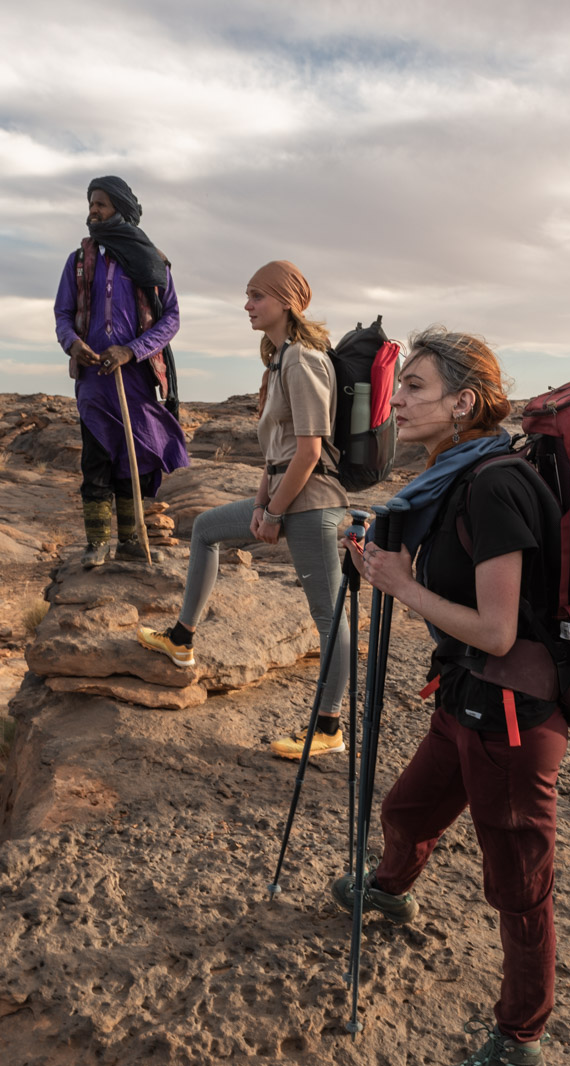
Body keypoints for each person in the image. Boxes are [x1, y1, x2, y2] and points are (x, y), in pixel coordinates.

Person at [334, 327, 567, 1066]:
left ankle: (519, 1043)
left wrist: (401, 587)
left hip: (510, 716)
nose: (397, 399)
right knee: (407, 810)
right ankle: (393, 890)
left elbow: (499, 630)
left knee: (519, 886)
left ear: (464, 402)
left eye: (417, 388)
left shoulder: (496, 485)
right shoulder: (451, 474)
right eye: (402, 386)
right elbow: (426, 563)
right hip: (464, 696)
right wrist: (374, 556)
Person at [134, 261, 353, 761]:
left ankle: (329, 727)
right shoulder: (278, 361)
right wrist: (260, 505)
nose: (248, 305)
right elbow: (276, 452)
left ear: (286, 301)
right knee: (208, 528)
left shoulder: (302, 359)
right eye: (248, 296)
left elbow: (310, 451)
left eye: (257, 296)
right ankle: (182, 640)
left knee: (328, 614)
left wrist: (273, 515)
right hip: (284, 495)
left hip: (312, 503)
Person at [53, 175, 190, 567]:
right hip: (94, 381)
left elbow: (172, 319)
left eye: (101, 205)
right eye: (91, 205)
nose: (93, 212)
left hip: (137, 379)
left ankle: (130, 539)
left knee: (133, 460)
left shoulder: (153, 261)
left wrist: (132, 352)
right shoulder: (78, 261)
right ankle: (97, 545)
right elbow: (63, 313)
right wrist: (73, 344)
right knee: (96, 457)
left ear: (121, 211)